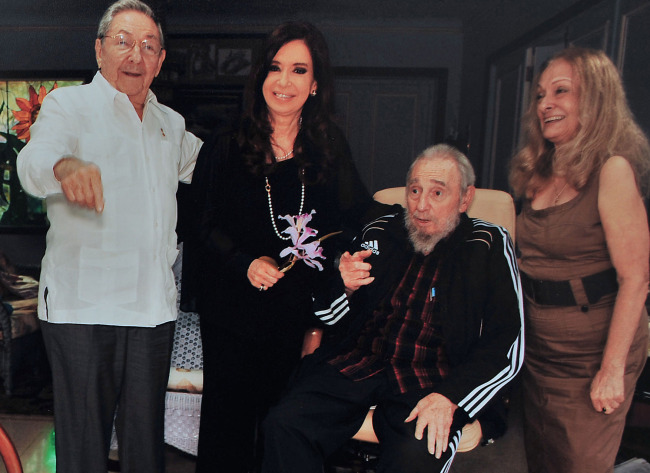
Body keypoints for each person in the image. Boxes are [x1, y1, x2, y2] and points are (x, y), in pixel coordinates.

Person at [181, 21, 380, 473]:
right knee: (227, 430)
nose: (284, 81)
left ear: (315, 85)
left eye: (298, 70)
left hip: (295, 313)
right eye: (275, 68)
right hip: (232, 309)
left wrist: (383, 236)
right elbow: (202, 223)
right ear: (260, 77)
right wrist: (244, 262)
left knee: (282, 427)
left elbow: (356, 214)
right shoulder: (226, 144)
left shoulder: (327, 148)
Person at [16, 1, 202, 472]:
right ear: (99, 51)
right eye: (122, 41)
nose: (135, 55)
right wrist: (64, 166)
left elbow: (218, 170)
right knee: (84, 449)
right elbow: (32, 163)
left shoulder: (171, 124)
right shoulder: (68, 106)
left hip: (153, 308)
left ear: (160, 61)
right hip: (83, 305)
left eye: (148, 45)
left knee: (145, 448)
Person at [260, 144, 524, 473]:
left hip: (432, 379)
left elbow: (508, 341)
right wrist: (344, 286)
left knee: (416, 453)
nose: (421, 205)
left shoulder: (487, 244)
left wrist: (451, 397)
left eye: (438, 192)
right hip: (359, 363)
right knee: (284, 424)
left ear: (465, 198)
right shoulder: (380, 231)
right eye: (414, 190)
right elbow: (325, 315)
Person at [509, 47, 650, 473]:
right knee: (544, 462)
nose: (545, 104)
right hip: (540, 350)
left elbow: (637, 279)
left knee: (580, 464)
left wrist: (612, 371)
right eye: (540, 95)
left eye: (561, 92)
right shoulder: (537, 173)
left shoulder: (612, 171)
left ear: (594, 101)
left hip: (594, 353)